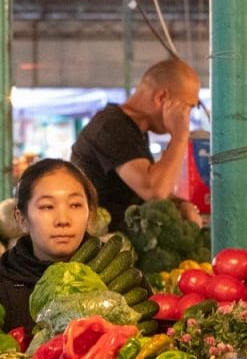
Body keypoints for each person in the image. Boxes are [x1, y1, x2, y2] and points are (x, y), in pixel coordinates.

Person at [71, 58, 201, 232]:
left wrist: (181, 203)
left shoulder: (134, 130)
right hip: (101, 250)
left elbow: (149, 188)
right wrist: (180, 135)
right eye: (187, 107)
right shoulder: (112, 127)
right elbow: (155, 191)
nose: (187, 116)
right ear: (161, 97)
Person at [0, 158, 97, 333]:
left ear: (89, 213)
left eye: (75, 205)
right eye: (47, 207)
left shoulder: (120, 278)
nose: (63, 220)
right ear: (22, 219)